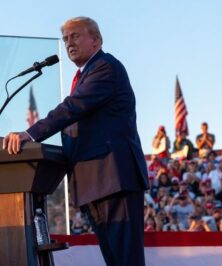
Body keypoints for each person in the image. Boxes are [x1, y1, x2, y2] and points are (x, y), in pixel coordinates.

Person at [2, 17, 148, 266]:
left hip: (113, 178)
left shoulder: (105, 67)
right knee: (115, 259)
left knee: (125, 260)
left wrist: (31, 134)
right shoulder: (85, 75)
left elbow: (73, 107)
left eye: (75, 36)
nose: (69, 43)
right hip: (95, 181)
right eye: (66, 38)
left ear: (96, 40)